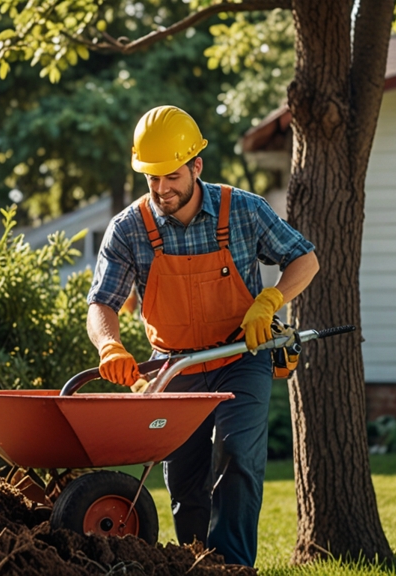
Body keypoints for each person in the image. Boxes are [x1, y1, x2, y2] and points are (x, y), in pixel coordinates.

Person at [85, 105, 319, 567]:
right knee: (184, 481)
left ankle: (232, 568)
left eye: (171, 176)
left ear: (196, 166)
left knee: (237, 458)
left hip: (241, 358)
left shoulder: (243, 210)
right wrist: (109, 344)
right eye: (151, 178)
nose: (161, 189)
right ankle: (196, 565)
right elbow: (102, 303)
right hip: (176, 367)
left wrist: (270, 300)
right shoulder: (129, 228)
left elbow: (305, 259)